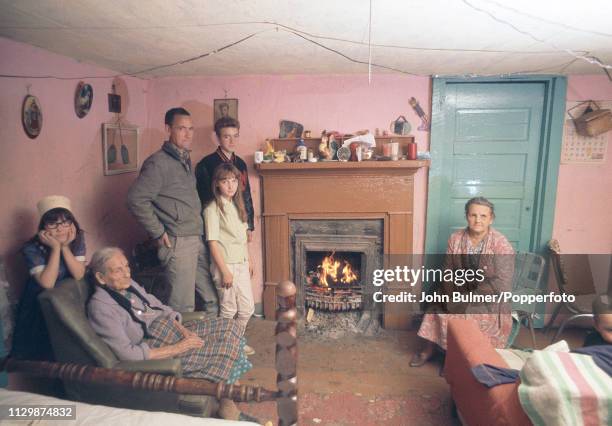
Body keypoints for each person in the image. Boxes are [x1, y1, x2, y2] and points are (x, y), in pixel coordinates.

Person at [86, 247, 256, 422]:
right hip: (154, 343)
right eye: (118, 270)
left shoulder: (129, 286)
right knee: (224, 349)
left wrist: (185, 331)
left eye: (127, 267)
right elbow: (128, 353)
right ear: (101, 277)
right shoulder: (101, 307)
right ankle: (229, 407)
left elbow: (159, 307)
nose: (127, 273)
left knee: (230, 326)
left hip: (168, 328)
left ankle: (230, 391)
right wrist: (180, 346)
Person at [127, 107, 217, 314]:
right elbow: (135, 199)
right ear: (168, 129)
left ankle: (213, 344)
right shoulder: (158, 163)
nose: (188, 134)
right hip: (177, 242)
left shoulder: (183, 159)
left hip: (196, 237)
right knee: (182, 306)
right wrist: (158, 232)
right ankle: (182, 346)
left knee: (212, 298)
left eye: (191, 129)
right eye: (181, 128)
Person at [411, 197, 515, 367]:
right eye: (473, 215)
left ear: (491, 218)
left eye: (483, 216)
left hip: (489, 295)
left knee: (465, 312)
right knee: (438, 302)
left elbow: (502, 283)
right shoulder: (456, 238)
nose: (478, 220)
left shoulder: (501, 244)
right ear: (467, 216)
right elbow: (448, 270)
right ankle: (429, 350)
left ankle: (456, 361)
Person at [11, 195, 86, 360]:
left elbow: (79, 274)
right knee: (47, 352)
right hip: (39, 302)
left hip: (69, 298)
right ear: (43, 227)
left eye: (65, 222)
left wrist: (65, 246)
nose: (60, 229)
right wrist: (55, 249)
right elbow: (47, 283)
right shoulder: (31, 247)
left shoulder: (77, 238)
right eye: (53, 224)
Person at [204, 164, 256, 356]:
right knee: (228, 309)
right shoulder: (212, 209)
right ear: (217, 184)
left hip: (241, 262)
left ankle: (234, 341)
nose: (230, 185)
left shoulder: (237, 206)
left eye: (234, 181)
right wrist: (225, 271)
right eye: (225, 181)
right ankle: (226, 345)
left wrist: (249, 260)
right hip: (225, 265)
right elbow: (213, 243)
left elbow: (243, 239)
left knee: (247, 308)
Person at [195, 117, 255, 242]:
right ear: (218, 137)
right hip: (218, 224)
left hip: (238, 222)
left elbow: (246, 195)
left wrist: (249, 226)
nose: (232, 141)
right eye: (227, 137)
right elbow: (203, 199)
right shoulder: (206, 164)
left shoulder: (241, 164)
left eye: (235, 136)